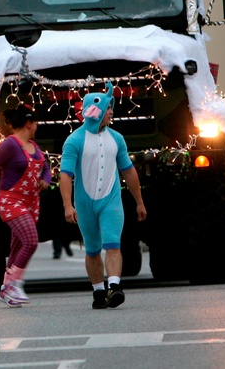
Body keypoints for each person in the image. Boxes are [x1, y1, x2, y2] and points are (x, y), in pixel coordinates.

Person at [60, 83, 146, 310]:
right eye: (108, 108)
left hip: (111, 201)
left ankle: (114, 287)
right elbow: (66, 175)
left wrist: (139, 201)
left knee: (113, 244)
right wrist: (68, 205)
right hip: (84, 204)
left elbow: (128, 171)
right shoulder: (74, 141)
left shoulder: (117, 139)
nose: (111, 112)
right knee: (92, 249)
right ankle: (99, 291)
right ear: (95, 110)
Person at [0, 105, 52, 307]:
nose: (37, 126)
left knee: (17, 245)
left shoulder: (34, 146)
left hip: (30, 202)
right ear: (29, 123)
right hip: (11, 201)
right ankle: (15, 283)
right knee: (31, 240)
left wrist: (46, 180)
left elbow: (46, 167)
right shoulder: (9, 145)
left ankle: (6, 288)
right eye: (35, 122)